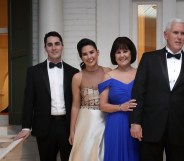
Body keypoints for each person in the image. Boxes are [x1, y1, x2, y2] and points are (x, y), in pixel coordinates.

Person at [14, 31, 79, 161]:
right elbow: (28, 101)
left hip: (68, 126)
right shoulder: (33, 72)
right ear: (45, 48)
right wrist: (26, 127)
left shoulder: (74, 72)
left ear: (62, 46)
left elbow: (77, 102)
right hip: (44, 127)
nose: (53, 48)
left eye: (57, 44)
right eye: (49, 45)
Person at [130, 18, 184, 161]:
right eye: (175, 32)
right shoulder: (148, 58)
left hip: (180, 129)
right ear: (166, 35)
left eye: (182, 33)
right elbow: (138, 92)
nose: (179, 37)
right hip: (151, 126)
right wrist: (135, 122)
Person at [68, 38, 111, 161]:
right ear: (81, 57)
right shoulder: (77, 77)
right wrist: (72, 131)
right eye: (85, 54)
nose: (89, 56)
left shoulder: (108, 72)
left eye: (91, 52)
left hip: (106, 120)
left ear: (98, 52)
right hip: (85, 123)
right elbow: (75, 106)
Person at [98, 37, 140, 161]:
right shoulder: (108, 76)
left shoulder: (140, 73)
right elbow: (102, 105)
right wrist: (121, 107)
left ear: (131, 52)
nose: (122, 55)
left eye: (125, 51)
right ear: (114, 56)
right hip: (116, 125)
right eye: (118, 52)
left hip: (137, 123)